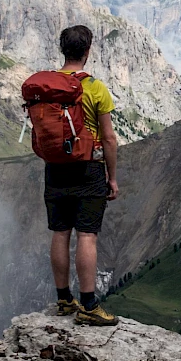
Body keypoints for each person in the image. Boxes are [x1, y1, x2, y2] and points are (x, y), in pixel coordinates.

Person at [44, 25, 120, 326]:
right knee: (87, 235)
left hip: (55, 169)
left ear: (63, 50)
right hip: (88, 168)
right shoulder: (95, 88)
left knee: (60, 232)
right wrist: (111, 178)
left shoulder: (47, 86)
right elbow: (110, 138)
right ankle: (88, 304)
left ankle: (63, 299)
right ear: (87, 51)